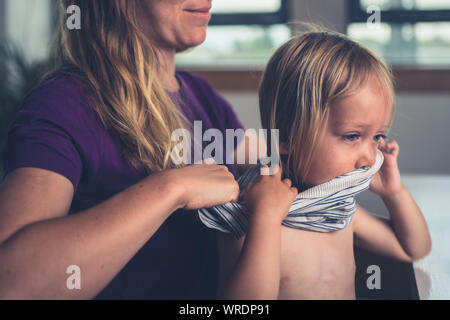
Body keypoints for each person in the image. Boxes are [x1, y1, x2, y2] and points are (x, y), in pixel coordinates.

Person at [0, 0, 248, 299]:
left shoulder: (204, 97)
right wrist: (171, 188)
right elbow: (11, 282)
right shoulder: (63, 104)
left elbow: (275, 169)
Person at [215, 30, 432, 300]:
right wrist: (266, 219)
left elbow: (413, 248)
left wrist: (394, 193)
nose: (369, 157)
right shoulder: (248, 215)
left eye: (377, 137)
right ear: (286, 137)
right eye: (352, 136)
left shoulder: (337, 210)